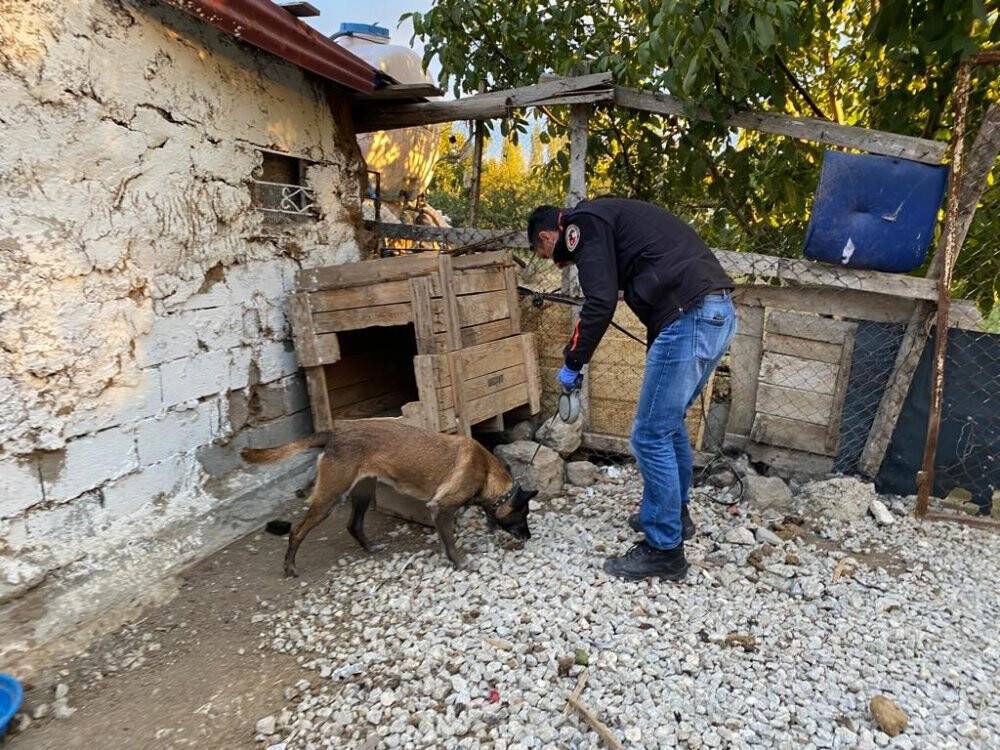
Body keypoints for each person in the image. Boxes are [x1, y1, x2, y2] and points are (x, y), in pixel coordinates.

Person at [527, 197, 736, 581]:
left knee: (649, 435)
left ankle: (664, 550)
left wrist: (574, 361)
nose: (554, 261)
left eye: (543, 251)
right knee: (668, 425)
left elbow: (600, 301)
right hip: (715, 314)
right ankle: (675, 515)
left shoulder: (581, 226)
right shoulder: (605, 220)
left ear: (546, 236)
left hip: (689, 317)